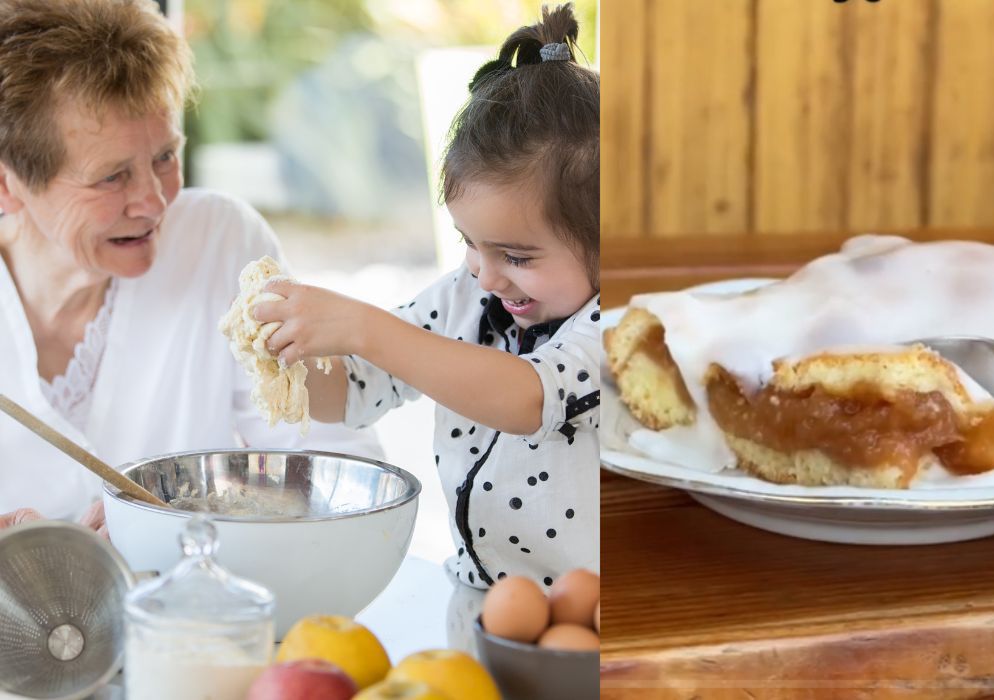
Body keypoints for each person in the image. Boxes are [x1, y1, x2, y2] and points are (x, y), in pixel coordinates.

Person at [255, 4, 599, 589]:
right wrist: (287, 356)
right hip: (475, 594)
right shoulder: (467, 295)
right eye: (469, 243)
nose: (487, 276)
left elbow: (529, 398)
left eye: (517, 256)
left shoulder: (616, 325)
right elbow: (356, 391)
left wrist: (364, 326)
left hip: (589, 617)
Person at [0, 0, 382, 527]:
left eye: (164, 157)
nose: (155, 202)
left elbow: (344, 478)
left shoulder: (219, 241)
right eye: (111, 177)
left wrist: (191, 523)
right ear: (7, 185)